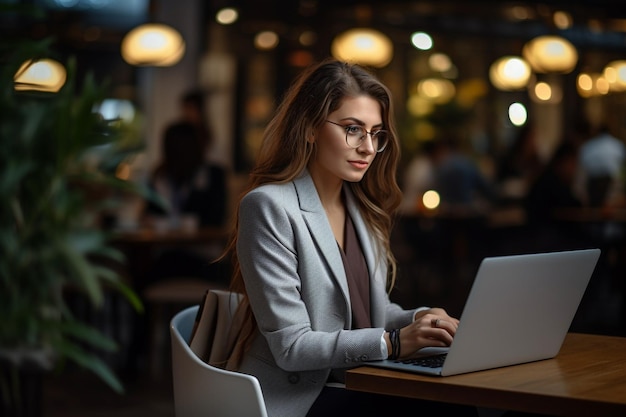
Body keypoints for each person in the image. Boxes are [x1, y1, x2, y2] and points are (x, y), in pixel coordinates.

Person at [222, 59, 476, 417]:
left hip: (361, 378)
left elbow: (368, 315)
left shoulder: (362, 209)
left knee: (459, 399)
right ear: (310, 128)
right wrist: (395, 342)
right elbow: (292, 346)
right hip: (303, 395)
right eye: (353, 129)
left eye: (376, 133)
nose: (368, 148)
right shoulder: (268, 207)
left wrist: (422, 320)